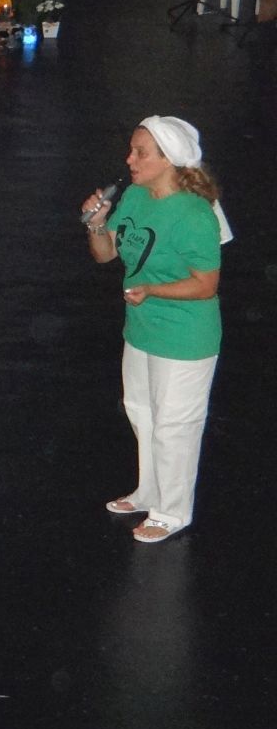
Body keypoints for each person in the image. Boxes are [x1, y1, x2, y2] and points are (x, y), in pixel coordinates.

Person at [84, 116, 232, 543]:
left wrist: (151, 289)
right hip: (142, 329)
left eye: (140, 152)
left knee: (175, 426)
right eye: (131, 150)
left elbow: (205, 285)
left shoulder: (194, 214)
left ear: (169, 160)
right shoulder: (135, 196)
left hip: (185, 338)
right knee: (142, 412)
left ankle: (173, 511)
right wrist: (97, 223)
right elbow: (105, 254)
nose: (129, 159)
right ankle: (149, 491)